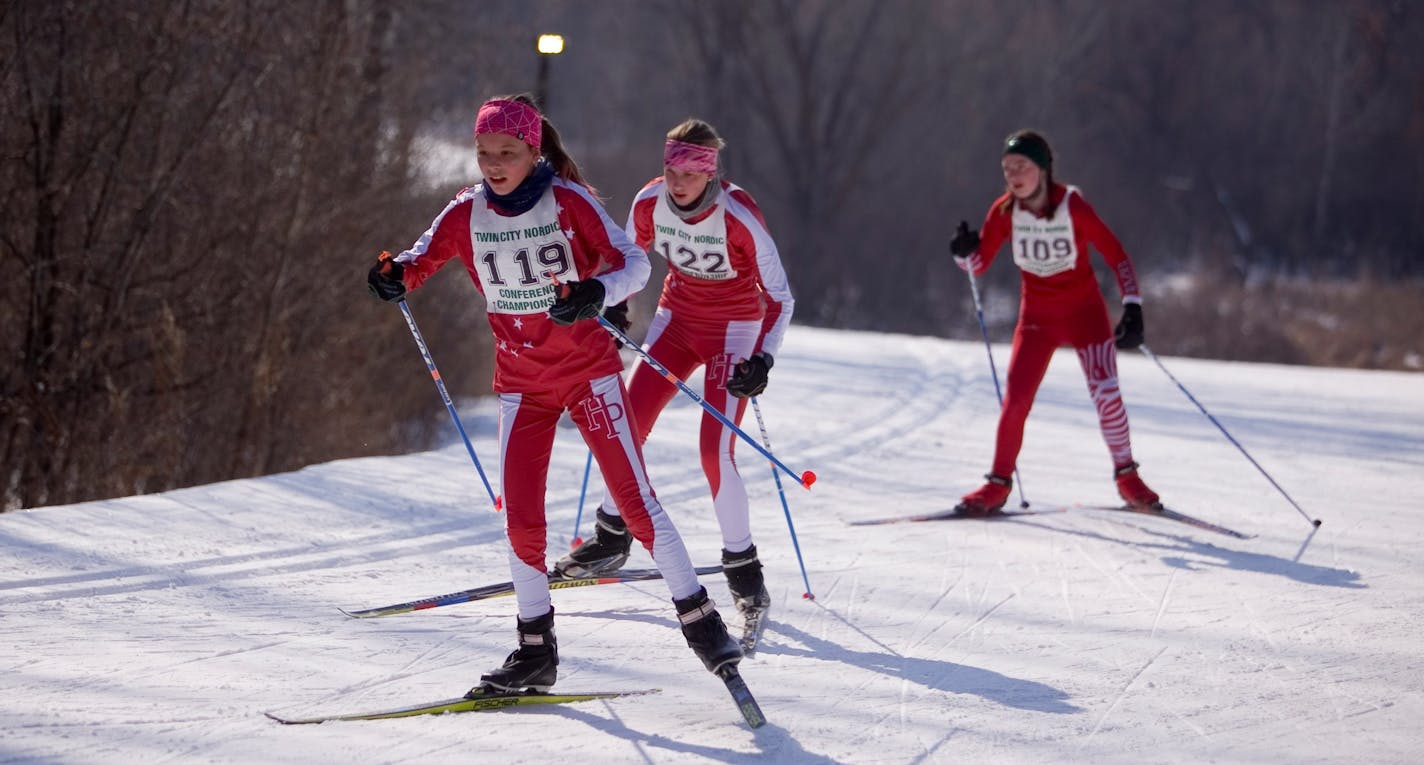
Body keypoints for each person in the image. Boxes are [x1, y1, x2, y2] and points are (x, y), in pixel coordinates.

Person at [367, 95, 741, 694]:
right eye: (484, 153)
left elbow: (634, 264)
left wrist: (595, 290)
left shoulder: (569, 202)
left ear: (533, 150)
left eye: (507, 153)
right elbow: (419, 259)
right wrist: (391, 276)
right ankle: (535, 648)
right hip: (521, 383)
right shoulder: (466, 212)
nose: (493, 164)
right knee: (521, 519)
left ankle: (701, 623)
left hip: (587, 373)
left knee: (635, 502)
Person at [554, 118, 794, 625]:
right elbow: (629, 259)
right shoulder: (649, 203)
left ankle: (744, 569)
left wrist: (763, 358)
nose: (677, 181)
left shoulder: (739, 215)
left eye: (688, 172)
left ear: (709, 173)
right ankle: (613, 535)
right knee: (625, 425)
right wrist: (618, 303)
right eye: (670, 169)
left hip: (734, 330)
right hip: (676, 323)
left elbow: (780, 297)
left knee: (714, 449)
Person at [949, 129, 1159, 515]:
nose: (1013, 174)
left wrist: (1133, 306)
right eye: (1007, 167)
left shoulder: (1072, 205)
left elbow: (1117, 255)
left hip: (1085, 317)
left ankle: (1127, 477)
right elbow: (979, 264)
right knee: (1015, 401)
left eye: (1022, 166)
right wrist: (963, 253)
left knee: (1107, 395)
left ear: (1042, 169)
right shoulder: (1003, 211)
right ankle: (996, 484)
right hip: (1036, 321)